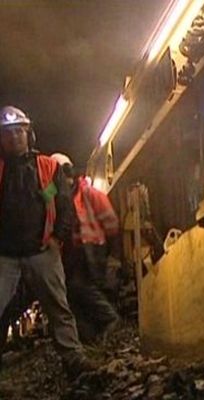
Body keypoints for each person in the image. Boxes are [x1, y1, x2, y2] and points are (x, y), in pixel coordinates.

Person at [0, 105, 94, 375]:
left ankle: (74, 358)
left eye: (19, 131)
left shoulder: (47, 168)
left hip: (41, 250)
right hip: (5, 254)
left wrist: (56, 239)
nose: (14, 137)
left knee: (58, 306)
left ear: (28, 133)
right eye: (7, 133)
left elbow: (63, 205)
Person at [50, 153, 121, 341]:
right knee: (71, 296)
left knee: (80, 287)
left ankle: (110, 319)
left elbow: (111, 223)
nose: (65, 177)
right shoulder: (52, 193)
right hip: (67, 254)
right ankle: (90, 338)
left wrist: (113, 254)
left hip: (90, 250)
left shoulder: (88, 192)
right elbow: (39, 200)